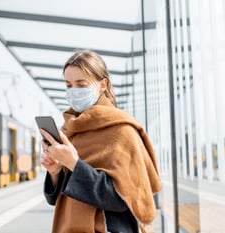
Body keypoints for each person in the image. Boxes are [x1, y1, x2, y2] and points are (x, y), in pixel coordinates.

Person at [40, 50, 162, 233]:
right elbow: (58, 200)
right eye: (68, 85)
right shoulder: (69, 129)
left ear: (102, 84)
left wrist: (74, 163)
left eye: (81, 84)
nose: (74, 91)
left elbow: (122, 199)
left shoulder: (122, 130)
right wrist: (55, 173)